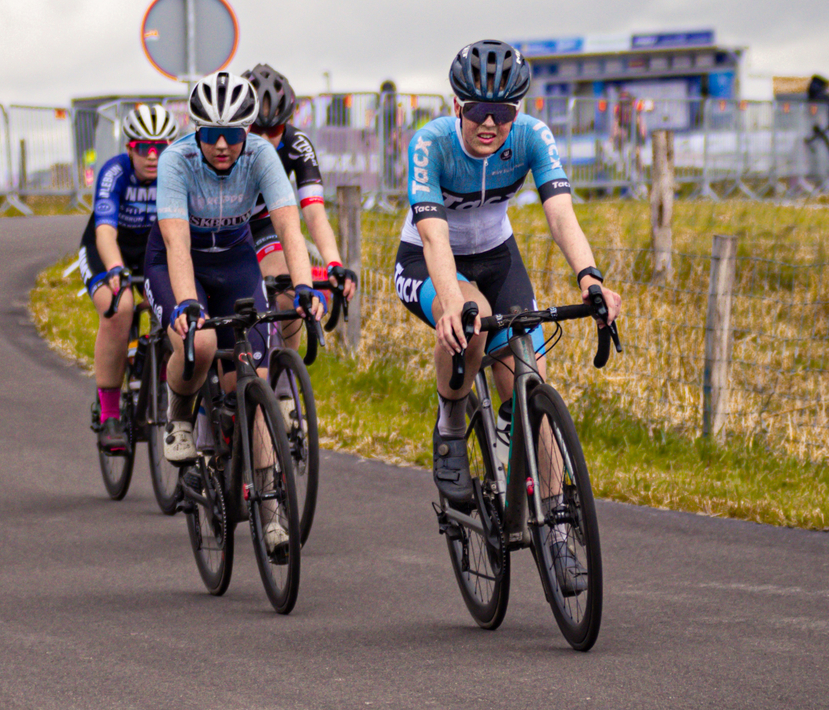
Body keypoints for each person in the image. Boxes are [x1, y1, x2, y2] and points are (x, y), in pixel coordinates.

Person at [394, 38, 622, 592]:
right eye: (478, 112)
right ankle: (451, 423)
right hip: (430, 261)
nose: (490, 125)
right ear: (457, 108)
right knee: (473, 325)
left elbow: (560, 213)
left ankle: (558, 529)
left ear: (518, 112)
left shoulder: (532, 137)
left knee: (530, 380)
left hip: (498, 255)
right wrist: (453, 300)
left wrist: (589, 276)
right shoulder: (431, 144)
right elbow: (433, 234)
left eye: (503, 113)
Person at [149, 70, 318, 555]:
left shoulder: (262, 154)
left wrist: (304, 286)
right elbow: (177, 244)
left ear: (247, 131)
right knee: (200, 342)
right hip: (180, 262)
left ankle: (270, 515)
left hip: (236, 259)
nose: (222, 145)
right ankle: (180, 412)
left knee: (253, 377)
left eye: (233, 135)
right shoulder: (176, 162)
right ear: (195, 130)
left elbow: (289, 225)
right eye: (210, 135)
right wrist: (187, 304)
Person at [80, 99, 178, 453]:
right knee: (118, 309)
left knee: (176, 309)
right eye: (143, 148)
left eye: (161, 148)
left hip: (152, 252)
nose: (153, 156)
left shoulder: (178, 174)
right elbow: (105, 230)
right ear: (129, 149)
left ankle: (164, 384)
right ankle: (108, 415)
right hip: (109, 249)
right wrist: (116, 269)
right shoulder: (115, 172)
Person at [243, 61, 358, 331]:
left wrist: (333, 263)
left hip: (263, 226)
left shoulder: (297, 144)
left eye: (274, 130)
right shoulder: (226, 145)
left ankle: (285, 367)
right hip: (226, 228)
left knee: (289, 293)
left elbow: (315, 214)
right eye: (257, 130)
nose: (266, 140)